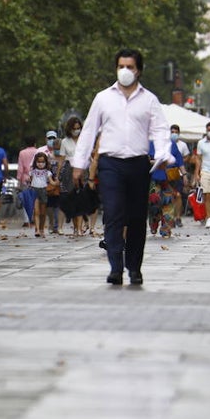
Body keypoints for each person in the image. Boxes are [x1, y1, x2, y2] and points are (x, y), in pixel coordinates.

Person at [71, 47, 171, 285]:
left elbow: (160, 130)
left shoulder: (149, 100)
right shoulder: (103, 98)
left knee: (136, 218)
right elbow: (88, 131)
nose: (125, 71)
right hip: (110, 164)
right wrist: (79, 164)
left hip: (138, 164)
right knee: (114, 214)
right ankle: (115, 267)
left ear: (139, 70)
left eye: (130, 67)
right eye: (121, 66)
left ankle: (134, 268)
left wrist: (164, 152)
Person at [17, 136, 44, 228]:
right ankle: (35, 218)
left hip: (25, 179)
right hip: (37, 177)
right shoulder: (38, 152)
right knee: (36, 199)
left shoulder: (22, 153)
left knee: (26, 199)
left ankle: (26, 220)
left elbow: (20, 168)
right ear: (35, 143)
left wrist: (19, 180)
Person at [28, 150, 53, 237]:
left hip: (44, 191)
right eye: (38, 162)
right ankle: (37, 229)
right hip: (34, 190)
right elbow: (30, 180)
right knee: (36, 212)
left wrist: (56, 183)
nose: (40, 164)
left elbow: (51, 182)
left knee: (43, 212)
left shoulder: (47, 172)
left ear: (46, 162)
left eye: (42, 162)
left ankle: (41, 228)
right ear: (35, 162)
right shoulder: (32, 171)